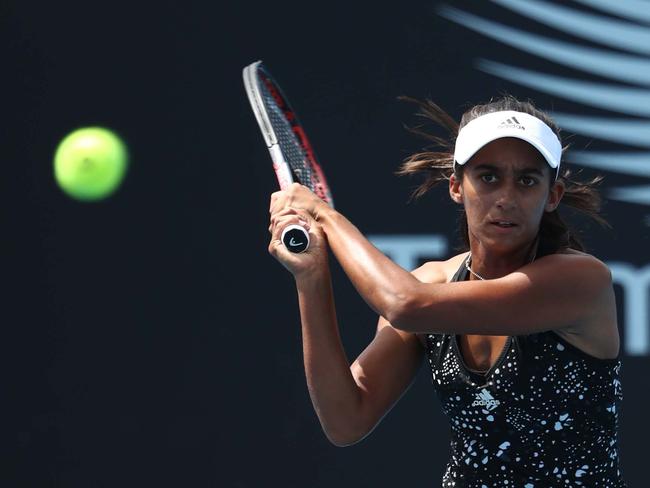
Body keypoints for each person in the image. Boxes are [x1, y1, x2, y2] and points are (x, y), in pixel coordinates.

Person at [267, 95, 625, 487]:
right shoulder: (431, 284)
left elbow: (404, 303)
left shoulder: (581, 281)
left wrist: (324, 215)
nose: (506, 198)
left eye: (527, 180)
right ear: (457, 186)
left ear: (552, 196)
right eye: (488, 177)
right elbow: (346, 419)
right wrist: (311, 278)